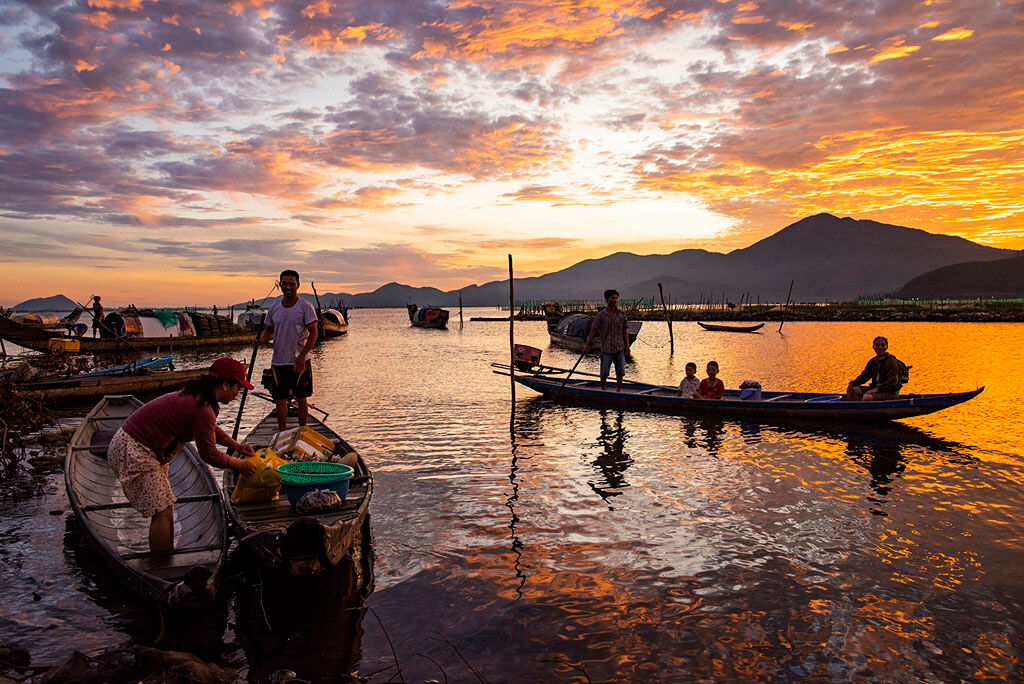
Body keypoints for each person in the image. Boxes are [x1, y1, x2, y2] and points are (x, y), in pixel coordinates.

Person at [107, 358, 258, 552]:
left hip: (138, 445)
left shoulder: (201, 398)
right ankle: (162, 566)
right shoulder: (203, 408)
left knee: (165, 506)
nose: (238, 393)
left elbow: (210, 430)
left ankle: (165, 555)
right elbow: (209, 454)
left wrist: (237, 446)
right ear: (226, 385)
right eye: (238, 388)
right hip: (134, 449)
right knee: (161, 511)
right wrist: (238, 464)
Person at [260, 269, 319, 431]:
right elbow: (269, 330)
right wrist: (262, 339)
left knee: (301, 398)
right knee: (280, 399)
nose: (288, 287)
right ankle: (282, 433)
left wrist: (301, 356)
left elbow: (314, 333)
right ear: (280, 285)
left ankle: (302, 432)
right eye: (285, 284)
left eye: (292, 284)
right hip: (279, 361)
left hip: (300, 362)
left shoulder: (305, 307)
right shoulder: (274, 308)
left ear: (298, 285)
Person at [584, 289, 631, 391]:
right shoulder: (601, 315)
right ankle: (603, 389)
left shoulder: (621, 314)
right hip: (606, 348)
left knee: (620, 371)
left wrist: (627, 346)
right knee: (604, 371)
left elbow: (625, 331)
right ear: (606, 300)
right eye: (612, 298)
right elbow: (593, 330)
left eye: (616, 298)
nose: (614, 300)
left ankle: (618, 390)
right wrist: (587, 344)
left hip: (619, 347)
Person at [846, 336, 902, 401]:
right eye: (877, 345)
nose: (880, 347)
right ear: (873, 347)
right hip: (876, 389)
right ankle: (858, 409)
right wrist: (852, 383)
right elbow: (864, 376)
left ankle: (865, 407)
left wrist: (876, 389)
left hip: (890, 392)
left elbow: (892, 382)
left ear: (886, 347)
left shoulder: (891, 361)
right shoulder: (873, 361)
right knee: (852, 390)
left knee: (867, 397)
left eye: (883, 345)